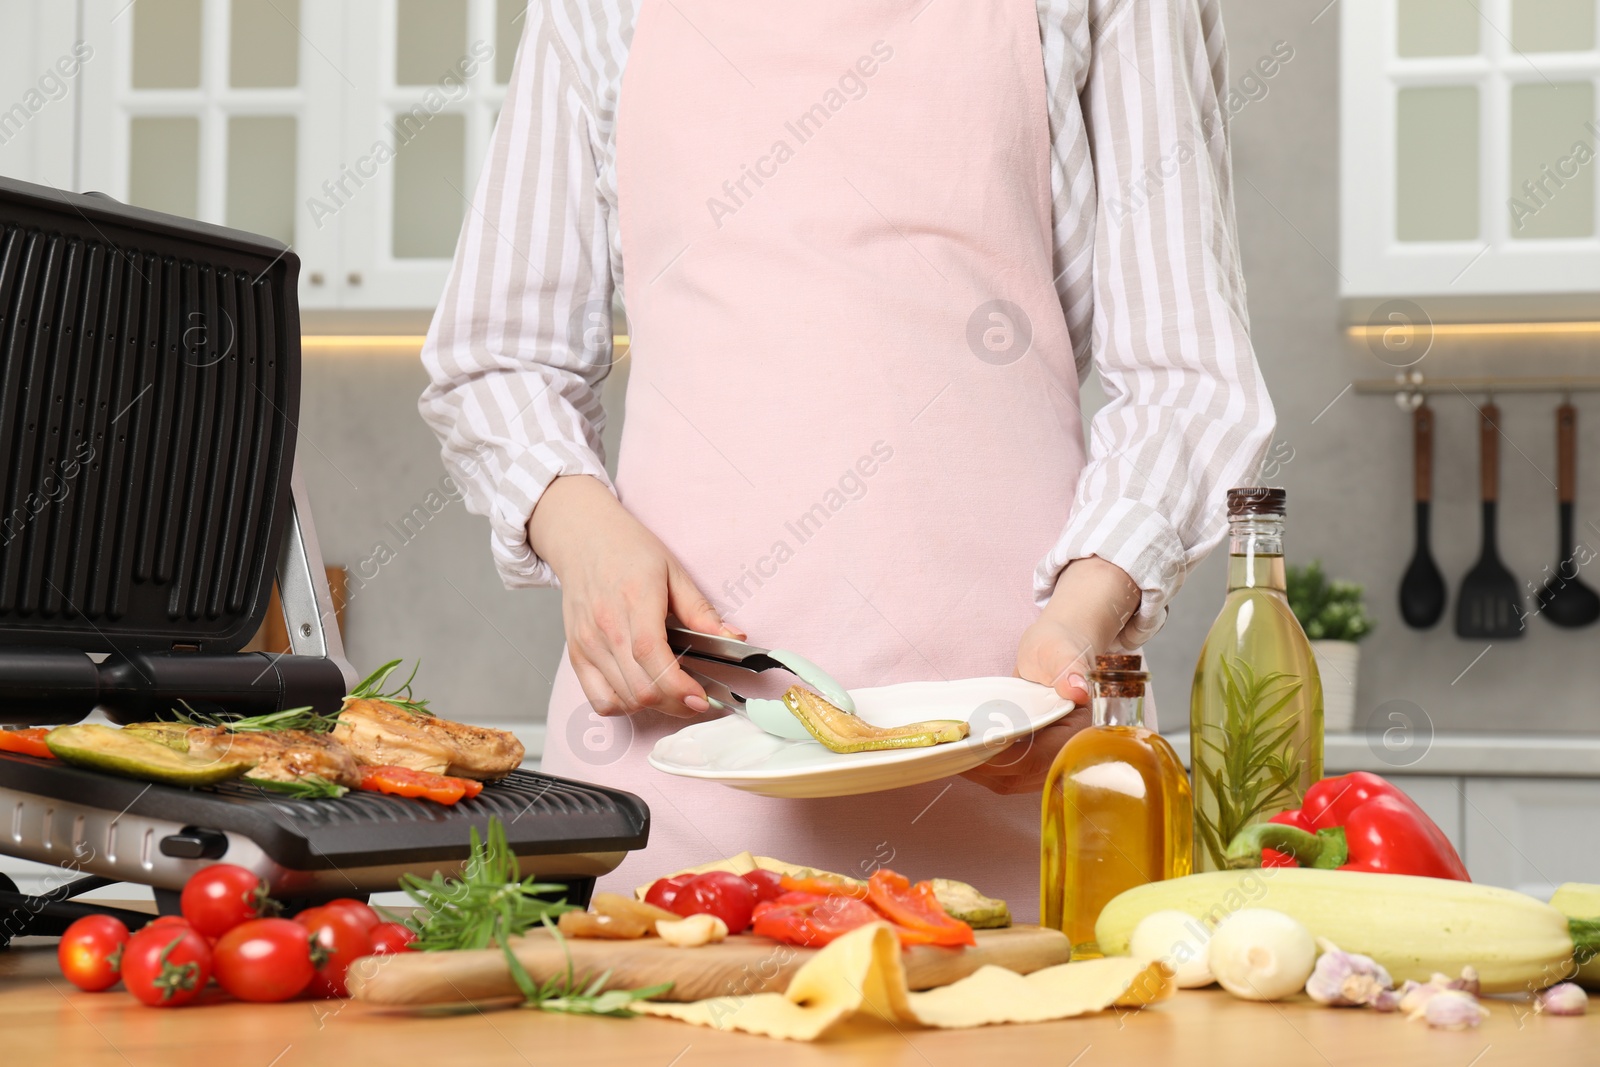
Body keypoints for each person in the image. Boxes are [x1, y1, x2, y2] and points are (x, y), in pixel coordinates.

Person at [419, 0, 1274, 915]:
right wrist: (583, 532)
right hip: (678, 775)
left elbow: (1186, 378)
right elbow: (498, 355)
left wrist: (1083, 617)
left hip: (1014, 753)